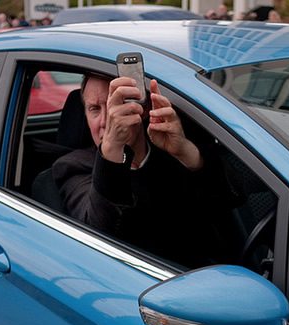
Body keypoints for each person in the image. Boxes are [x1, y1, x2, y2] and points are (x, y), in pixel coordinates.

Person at [52, 75, 244, 268]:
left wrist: (187, 152)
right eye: (94, 109)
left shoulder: (170, 150)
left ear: (142, 109)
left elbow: (232, 200)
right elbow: (98, 237)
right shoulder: (74, 166)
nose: (105, 120)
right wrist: (112, 148)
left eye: (114, 106)